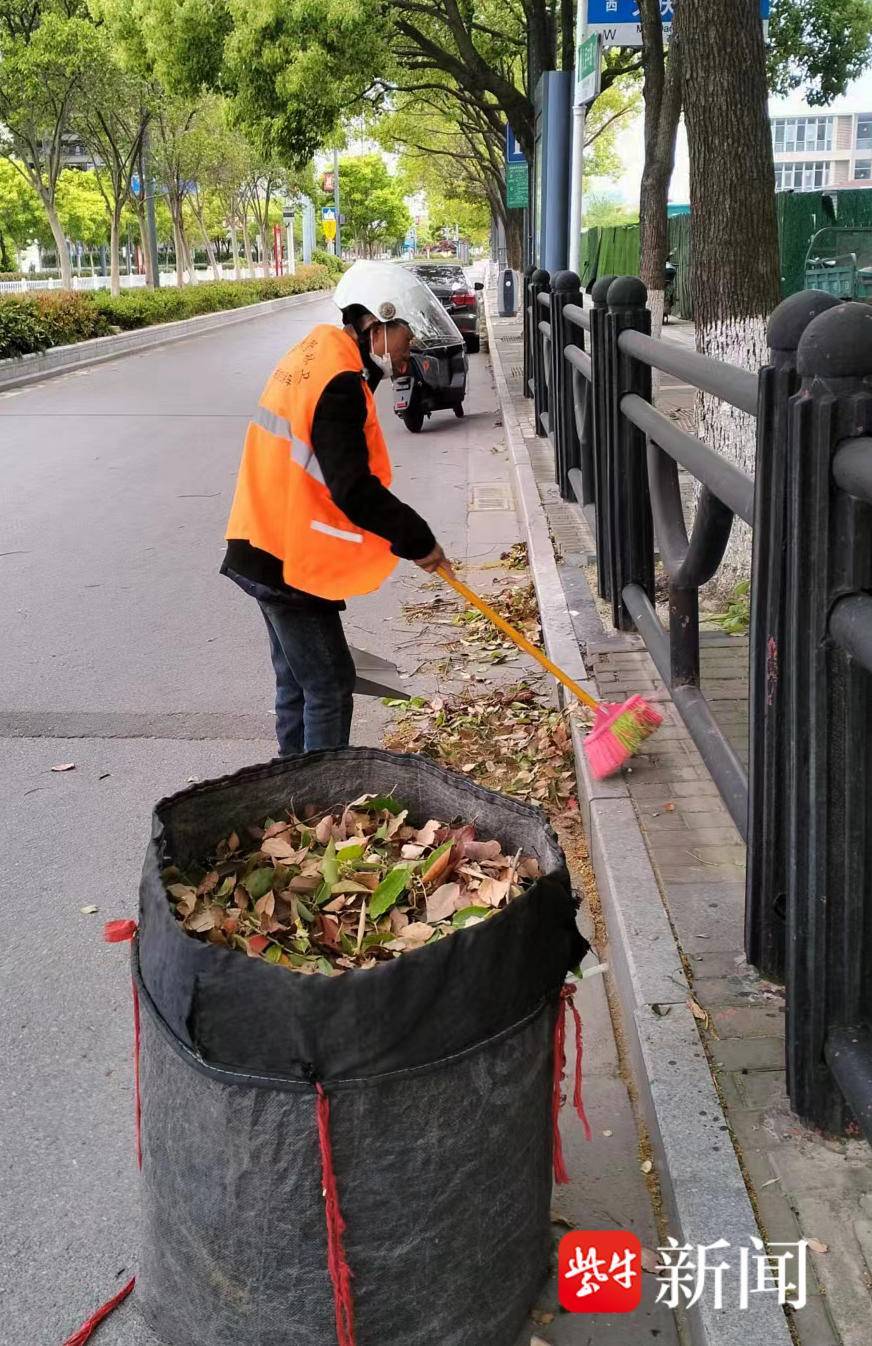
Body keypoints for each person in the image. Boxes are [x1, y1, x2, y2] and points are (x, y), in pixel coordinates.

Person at [222, 261, 454, 757]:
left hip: (262, 540)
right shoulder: (339, 381)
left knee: (297, 684)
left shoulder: (318, 352)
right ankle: (321, 810)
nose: (407, 351)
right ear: (380, 323)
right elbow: (353, 489)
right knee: (329, 686)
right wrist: (419, 540)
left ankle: (292, 798)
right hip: (289, 558)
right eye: (406, 338)